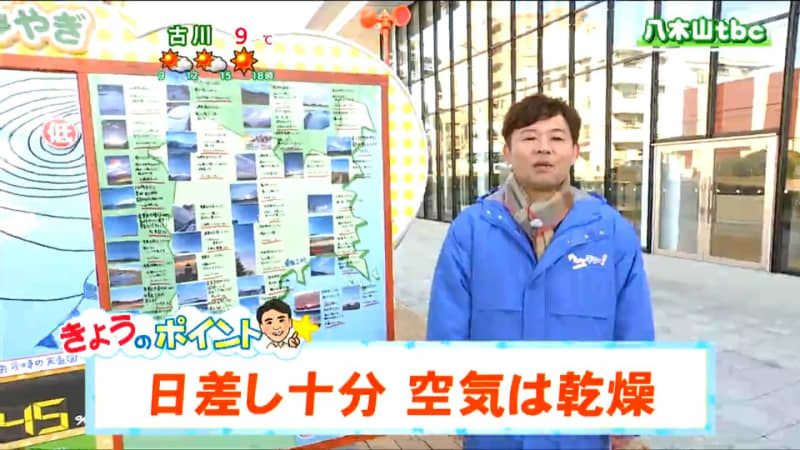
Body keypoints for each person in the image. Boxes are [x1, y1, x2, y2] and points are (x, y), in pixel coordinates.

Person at [427, 94, 655, 450]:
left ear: (575, 152)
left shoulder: (610, 231)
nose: (543, 148)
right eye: (530, 137)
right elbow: (448, 322)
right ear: (507, 151)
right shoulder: (471, 229)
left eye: (557, 138)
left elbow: (634, 325)